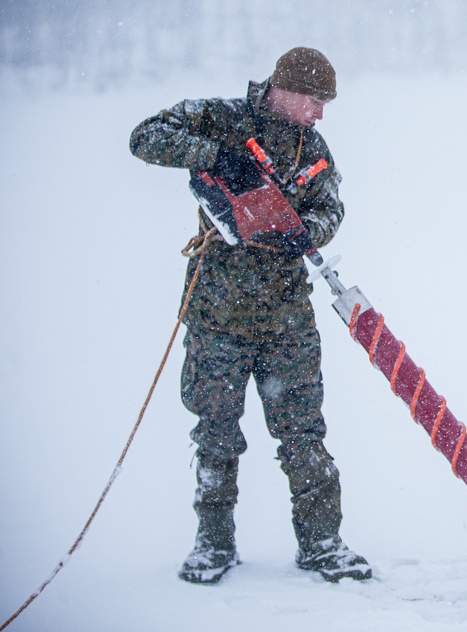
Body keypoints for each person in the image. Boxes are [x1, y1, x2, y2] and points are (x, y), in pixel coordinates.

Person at [129, 47, 371, 585]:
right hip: (217, 315)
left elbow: (332, 206)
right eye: (314, 100)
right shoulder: (222, 116)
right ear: (284, 88)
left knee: (303, 433)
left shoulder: (315, 147)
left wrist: (309, 229)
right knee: (215, 433)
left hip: (287, 318)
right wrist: (214, 155)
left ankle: (323, 544)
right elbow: (143, 136)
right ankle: (213, 545)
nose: (321, 113)